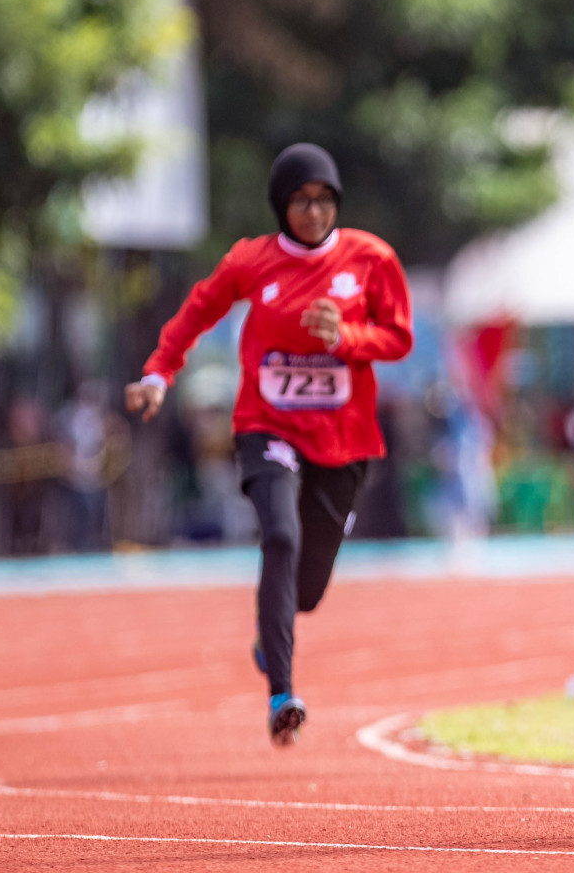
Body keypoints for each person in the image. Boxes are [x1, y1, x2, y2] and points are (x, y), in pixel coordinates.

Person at [124, 143, 412, 746]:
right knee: (279, 536)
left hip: (342, 438)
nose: (313, 212)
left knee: (305, 592)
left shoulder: (371, 259)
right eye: (300, 201)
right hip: (268, 425)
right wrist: (158, 374)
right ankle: (282, 691)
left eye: (324, 199)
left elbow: (399, 338)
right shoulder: (251, 261)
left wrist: (348, 336)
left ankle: (270, 631)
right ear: (281, 207)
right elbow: (196, 313)